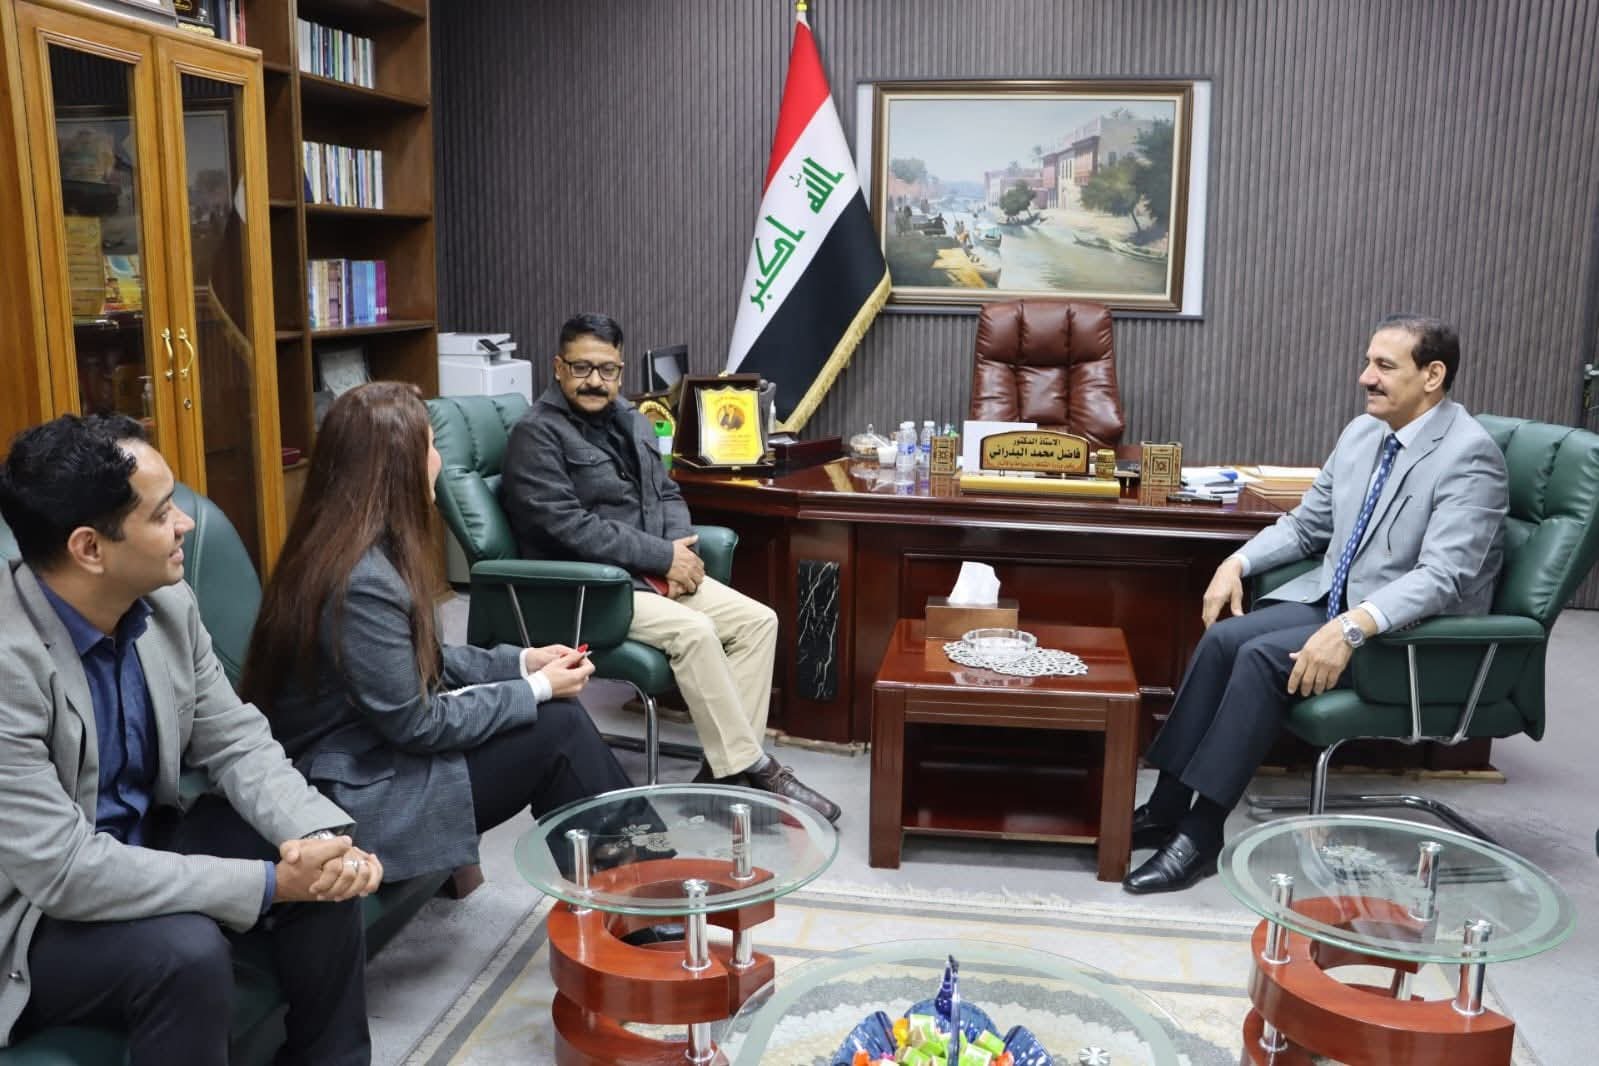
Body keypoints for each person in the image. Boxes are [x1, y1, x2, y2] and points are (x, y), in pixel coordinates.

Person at [0, 414, 381, 1065]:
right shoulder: (9, 665)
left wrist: (317, 841)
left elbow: (235, 741)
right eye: (162, 514)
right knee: (186, 953)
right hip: (34, 910)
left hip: (145, 838)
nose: (186, 524)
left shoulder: (167, 605)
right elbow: (64, 871)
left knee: (318, 871)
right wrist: (268, 883)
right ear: (90, 548)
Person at [1124, 313, 1509, 894]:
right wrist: (1237, 562)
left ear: (1433, 375)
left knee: (1260, 658)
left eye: (1384, 366)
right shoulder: (1362, 433)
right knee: (1225, 638)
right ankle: (1167, 806)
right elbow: (1307, 525)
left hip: (1407, 636)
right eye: (1368, 362)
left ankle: (1202, 834)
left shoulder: (1469, 456)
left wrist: (1353, 626)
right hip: (1338, 601)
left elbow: (1443, 577)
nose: (1365, 377)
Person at [242, 383, 647, 885]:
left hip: (371, 751)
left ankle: (639, 887)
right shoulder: (361, 579)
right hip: (352, 789)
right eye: (431, 446)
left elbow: (423, 658)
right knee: (558, 728)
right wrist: (537, 689)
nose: (439, 460)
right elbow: (418, 723)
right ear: (397, 466)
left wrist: (523, 663)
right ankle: (641, 896)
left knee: (556, 719)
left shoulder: (351, 547)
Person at [501, 312, 841, 823]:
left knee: (759, 621)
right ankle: (757, 770)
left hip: (649, 574)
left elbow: (666, 491)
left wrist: (678, 548)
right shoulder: (536, 434)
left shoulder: (632, 418)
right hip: (590, 586)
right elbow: (570, 528)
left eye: (607, 369)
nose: (595, 381)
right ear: (558, 367)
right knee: (696, 632)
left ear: (620, 370)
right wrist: (662, 557)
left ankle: (723, 779)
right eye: (581, 367)